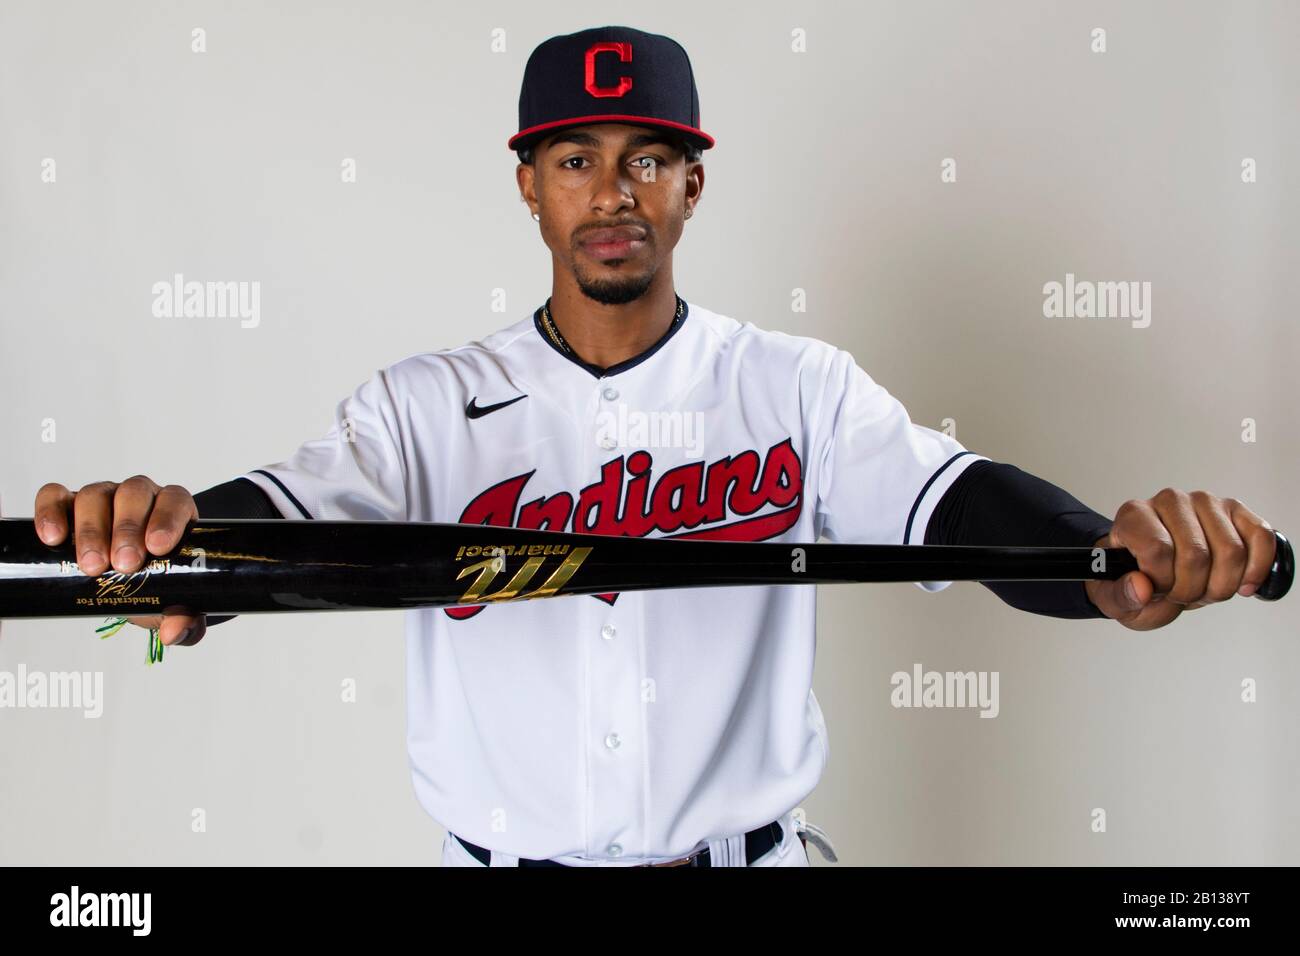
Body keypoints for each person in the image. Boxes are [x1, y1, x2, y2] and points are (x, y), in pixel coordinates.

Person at [31, 26, 1279, 867]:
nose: (613, 192)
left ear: (692, 185)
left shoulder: (792, 387)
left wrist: (1099, 559)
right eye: (576, 160)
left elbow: (954, 506)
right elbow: (274, 524)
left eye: (649, 160)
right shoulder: (421, 406)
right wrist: (161, 553)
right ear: (530, 185)